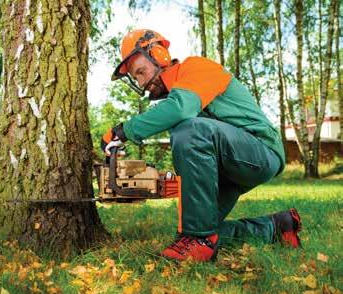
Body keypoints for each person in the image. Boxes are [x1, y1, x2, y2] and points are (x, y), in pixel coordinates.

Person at [101, 29, 302, 262]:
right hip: (229, 166)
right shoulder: (182, 93)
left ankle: (199, 241)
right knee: (199, 230)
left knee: (188, 129)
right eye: (137, 79)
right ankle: (277, 227)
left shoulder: (196, 68)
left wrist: (123, 131)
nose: (143, 83)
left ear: (159, 54)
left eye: (141, 72)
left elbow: (181, 111)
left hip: (261, 150)